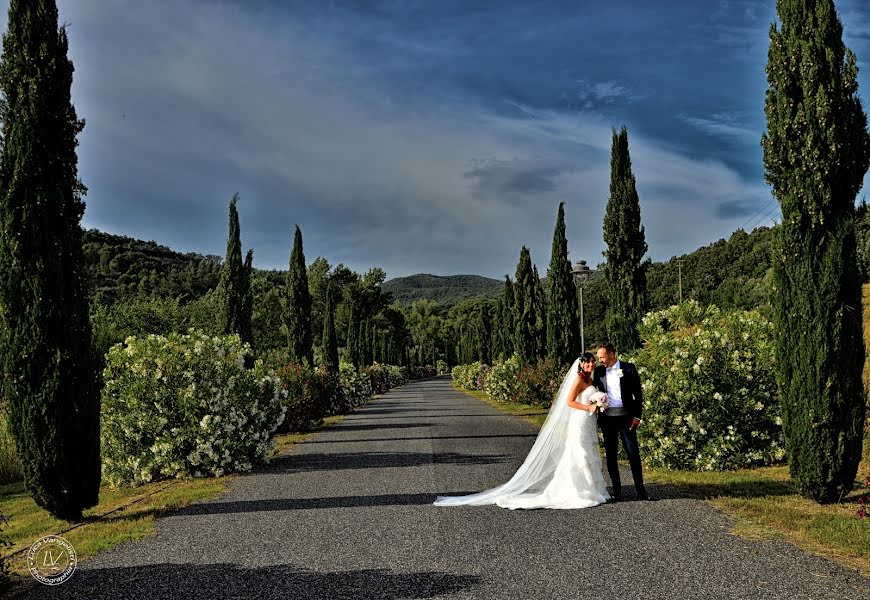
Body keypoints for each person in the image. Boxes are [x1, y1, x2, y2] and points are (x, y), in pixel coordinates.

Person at [433, 355, 610, 509]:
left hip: (588, 421)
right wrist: (589, 406)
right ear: (581, 364)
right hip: (579, 421)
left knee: (589, 452)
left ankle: (591, 489)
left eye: (593, 362)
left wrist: (599, 402)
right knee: (580, 453)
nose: (591, 365)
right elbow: (569, 402)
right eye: (588, 362)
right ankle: (579, 490)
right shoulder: (579, 379)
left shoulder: (590, 379)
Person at [593, 342, 649, 501]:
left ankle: (641, 490)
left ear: (611, 354)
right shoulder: (598, 372)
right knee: (611, 456)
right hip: (608, 419)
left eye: (602, 357)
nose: (600, 360)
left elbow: (638, 394)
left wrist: (637, 416)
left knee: (633, 454)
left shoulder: (629, 368)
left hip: (627, 418)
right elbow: (590, 390)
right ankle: (617, 491)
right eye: (599, 357)